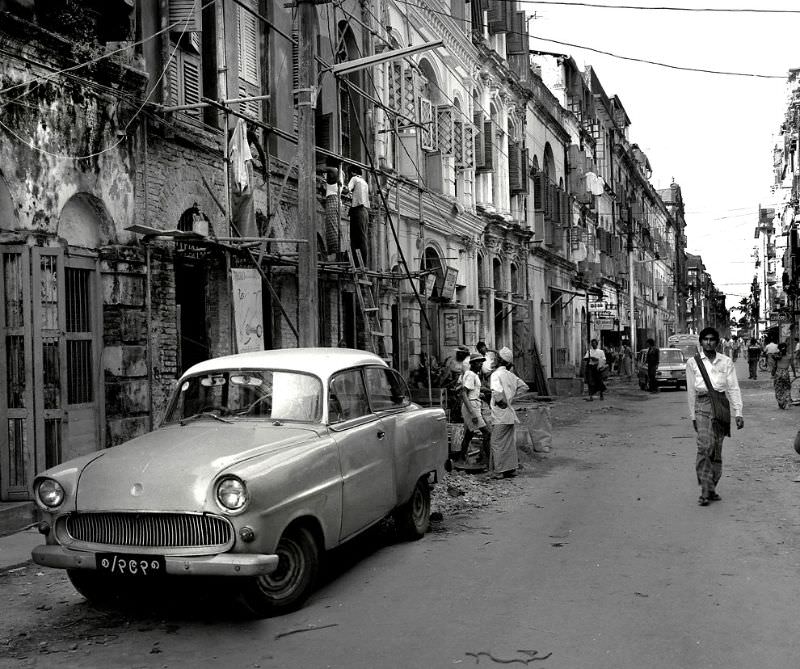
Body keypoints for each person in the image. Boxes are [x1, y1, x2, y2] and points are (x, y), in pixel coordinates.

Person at [686, 327, 744, 507]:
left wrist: (738, 412)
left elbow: (733, 388)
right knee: (704, 446)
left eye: (712, 339)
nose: (709, 342)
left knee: (717, 449)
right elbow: (691, 391)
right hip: (702, 405)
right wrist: (692, 416)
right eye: (705, 339)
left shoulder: (726, 362)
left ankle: (712, 487)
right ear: (701, 342)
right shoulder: (692, 363)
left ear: (717, 342)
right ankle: (704, 489)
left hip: (721, 406)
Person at [489, 347, 529, 478]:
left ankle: (499, 471)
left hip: (501, 414)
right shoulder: (511, 375)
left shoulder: (496, 375)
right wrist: (512, 397)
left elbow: (497, 393)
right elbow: (524, 387)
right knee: (509, 442)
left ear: (500, 361)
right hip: (510, 414)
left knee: (496, 442)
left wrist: (503, 402)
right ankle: (511, 469)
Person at [458, 353, 492, 467]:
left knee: (469, 434)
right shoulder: (470, 375)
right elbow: (464, 393)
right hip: (471, 408)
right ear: (472, 364)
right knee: (487, 433)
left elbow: (474, 390)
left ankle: (461, 459)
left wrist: (485, 392)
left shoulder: (473, 375)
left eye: (481, 362)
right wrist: (472, 413)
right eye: (478, 362)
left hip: (473, 405)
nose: (481, 364)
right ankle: (487, 461)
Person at [343, 167, 370, 266]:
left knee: (354, 239)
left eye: (349, 174)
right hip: (365, 212)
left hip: (357, 211)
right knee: (362, 238)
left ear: (353, 172)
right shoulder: (365, 183)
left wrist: (340, 185)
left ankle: (357, 263)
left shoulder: (354, 179)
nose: (349, 176)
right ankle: (363, 263)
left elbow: (346, 190)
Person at [772, 342, 796, 409]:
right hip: (785, 373)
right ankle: (785, 402)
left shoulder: (777, 356)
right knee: (786, 387)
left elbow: (774, 364)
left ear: (779, 348)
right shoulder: (789, 356)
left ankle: (780, 402)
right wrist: (794, 374)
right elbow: (792, 365)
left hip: (778, 373)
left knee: (778, 388)